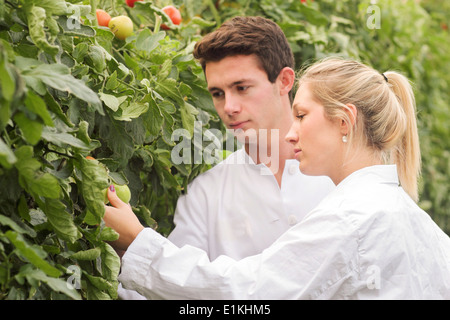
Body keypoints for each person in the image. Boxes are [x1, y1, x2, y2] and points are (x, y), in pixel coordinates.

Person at [105, 57, 450, 299]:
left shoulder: (352, 218)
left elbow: (247, 292)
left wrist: (136, 243)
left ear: (344, 122)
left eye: (301, 115)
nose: (290, 133)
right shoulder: (425, 229)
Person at [118, 16, 335, 300]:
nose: (229, 107)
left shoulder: (340, 176)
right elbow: (167, 292)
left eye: (241, 88)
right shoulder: (206, 192)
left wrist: (138, 243)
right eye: (218, 94)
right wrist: (123, 248)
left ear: (284, 81)